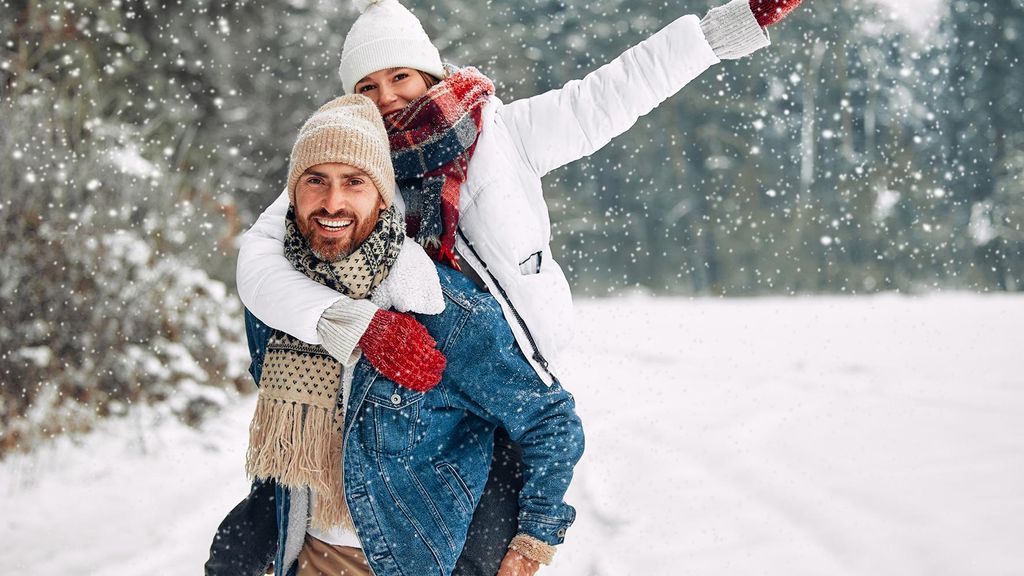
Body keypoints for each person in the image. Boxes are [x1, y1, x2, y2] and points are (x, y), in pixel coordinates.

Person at [228, 0, 803, 573]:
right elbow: (258, 259)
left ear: (429, 73)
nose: (387, 98)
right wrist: (355, 324)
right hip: (427, 396)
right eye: (368, 87)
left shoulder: (503, 134)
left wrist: (717, 34)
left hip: (507, 376)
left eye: (399, 76)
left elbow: (611, 94)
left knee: (488, 550)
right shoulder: (350, 166)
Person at [223, 94, 585, 576]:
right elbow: (294, 448)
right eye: (315, 180)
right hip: (305, 557)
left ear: (382, 196)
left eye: (354, 182)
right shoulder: (276, 307)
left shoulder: (444, 311)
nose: (332, 203)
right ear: (294, 192)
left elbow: (550, 420)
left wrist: (532, 541)